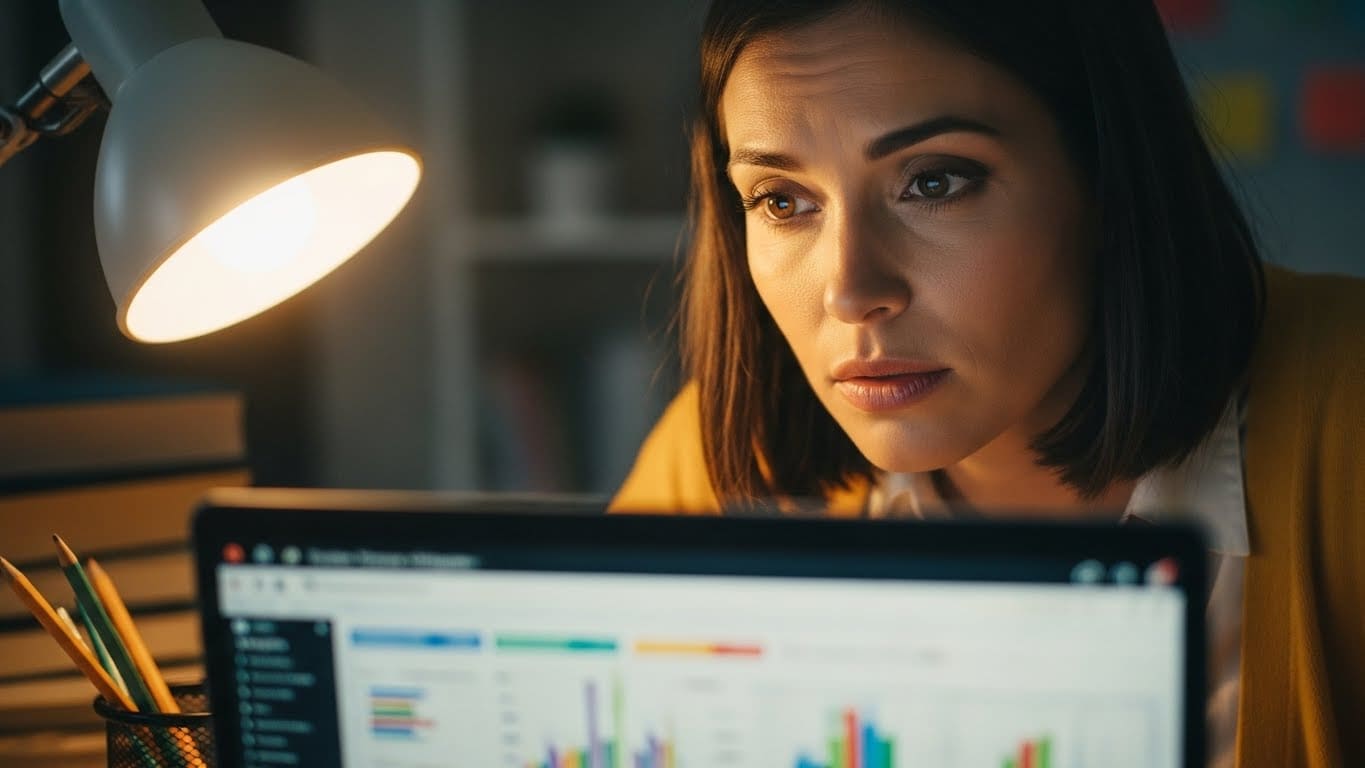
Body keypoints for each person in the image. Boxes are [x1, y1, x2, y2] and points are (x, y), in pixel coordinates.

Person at [607, 1, 1365, 766]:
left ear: (1107, 174)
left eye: (933, 182)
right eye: (781, 200)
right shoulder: (724, 461)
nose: (849, 291)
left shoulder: (1345, 412)